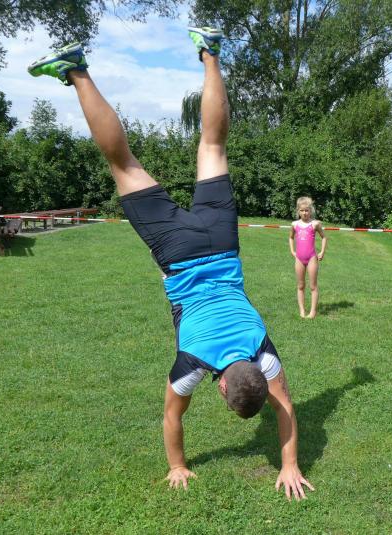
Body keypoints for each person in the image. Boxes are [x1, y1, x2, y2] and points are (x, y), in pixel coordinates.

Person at [28, 27, 315, 500]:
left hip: (222, 242)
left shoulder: (264, 351)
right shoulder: (191, 365)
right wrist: (178, 466)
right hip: (177, 253)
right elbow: (171, 416)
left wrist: (290, 462)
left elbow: (285, 408)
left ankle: (210, 51)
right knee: (122, 163)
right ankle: (75, 70)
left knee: (214, 146)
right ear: (221, 389)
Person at [288, 197, 327, 318]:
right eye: (302, 210)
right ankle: (302, 311)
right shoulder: (294, 224)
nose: (304, 213)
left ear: (311, 210)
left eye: (307, 210)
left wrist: (322, 252)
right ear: (298, 211)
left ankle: (312, 312)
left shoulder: (315, 224)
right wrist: (292, 251)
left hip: (311, 258)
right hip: (299, 259)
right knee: (300, 286)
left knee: (313, 286)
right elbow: (291, 237)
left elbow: (324, 237)